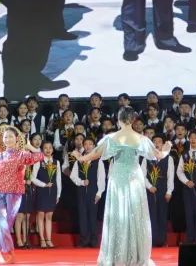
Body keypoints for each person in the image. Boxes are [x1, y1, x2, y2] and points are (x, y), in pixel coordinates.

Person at [70, 106, 172, 266]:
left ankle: (116, 255)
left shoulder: (111, 138)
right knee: (135, 214)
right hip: (134, 177)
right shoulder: (141, 138)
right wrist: (167, 149)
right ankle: (136, 255)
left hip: (118, 177)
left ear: (119, 119)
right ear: (133, 120)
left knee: (118, 214)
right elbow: (158, 155)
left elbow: (94, 155)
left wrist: (80, 157)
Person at [0, 127, 45, 264]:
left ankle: (0, 252)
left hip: (14, 193)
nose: (7, 139)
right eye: (5, 137)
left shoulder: (22, 154)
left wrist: (30, 146)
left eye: (10, 136)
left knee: (6, 225)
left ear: (16, 139)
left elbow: (40, 156)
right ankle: (9, 252)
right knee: (0, 223)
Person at [70, 136, 106, 248]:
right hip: (81, 191)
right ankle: (83, 240)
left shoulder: (98, 161)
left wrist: (99, 193)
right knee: (82, 215)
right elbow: (73, 176)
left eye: (90, 144)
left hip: (93, 191)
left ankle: (94, 240)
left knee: (92, 216)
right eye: (86, 144)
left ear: (94, 146)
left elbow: (101, 178)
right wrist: (81, 182)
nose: (88, 146)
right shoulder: (79, 161)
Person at [141, 135, 175, 247]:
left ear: (163, 144)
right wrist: (149, 186)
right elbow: (142, 175)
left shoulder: (169, 159)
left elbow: (170, 176)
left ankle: (162, 240)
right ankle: (151, 241)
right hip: (150, 190)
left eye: (159, 142)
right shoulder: (146, 158)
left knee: (162, 215)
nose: (156, 144)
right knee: (151, 215)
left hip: (163, 189)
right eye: (154, 141)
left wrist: (169, 191)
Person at [31, 141, 62, 248]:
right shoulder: (38, 161)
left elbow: (58, 179)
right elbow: (32, 178)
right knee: (41, 215)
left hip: (52, 191)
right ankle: (42, 240)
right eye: (45, 148)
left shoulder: (56, 162)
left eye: (50, 148)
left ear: (53, 150)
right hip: (41, 191)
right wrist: (44, 185)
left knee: (49, 216)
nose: (48, 150)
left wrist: (58, 194)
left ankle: (48, 239)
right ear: (42, 150)